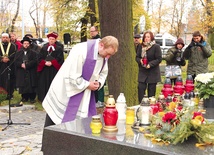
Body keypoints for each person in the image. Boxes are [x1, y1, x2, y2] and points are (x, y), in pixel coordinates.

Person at [42, 36, 119, 127]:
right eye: (108, 53)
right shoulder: (81, 50)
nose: (108, 57)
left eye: (110, 55)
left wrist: (99, 83)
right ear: (101, 45)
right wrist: (87, 84)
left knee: (77, 125)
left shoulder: (103, 55)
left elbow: (103, 73)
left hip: (84, 94)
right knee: (54, 121)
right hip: (67, 91)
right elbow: (72, 75)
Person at [37, 32, 64, 102]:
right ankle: (44, 98)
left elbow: (60, 59)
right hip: (45, 69)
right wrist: (45, 62)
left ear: (55, 40)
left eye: (53, 39)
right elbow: (39, 58)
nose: (51, 40)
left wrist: (52, 63)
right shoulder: (44, 48)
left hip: (53, 69)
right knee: (44, 83)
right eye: (50, 39)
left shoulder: (59, 49)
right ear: (48, 40)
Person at [136, 31, 162, 103]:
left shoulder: (156, 46)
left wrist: (150, 64)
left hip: (152, 72)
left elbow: (159, 59)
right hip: (143, 71)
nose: (146, 39)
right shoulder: (141, 46)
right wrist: (140, 60)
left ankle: (151, 106)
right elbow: (137, 57)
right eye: (145, 37)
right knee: (140, 88)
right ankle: (141, 104)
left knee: (151, 91)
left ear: (151, 38)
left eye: (148, 37)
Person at [12, 37, 38, 106]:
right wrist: (21, 65)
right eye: (25, 43)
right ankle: (24, 97)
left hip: (31, 70)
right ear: (22, 44)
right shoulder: (18, 52)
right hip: (22, 71)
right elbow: (16, 61)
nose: (26, 45)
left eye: (27, 43)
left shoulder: (34, 53)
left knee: (31, 84)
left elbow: (35, 61)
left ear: (29, 44)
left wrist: (27, 65)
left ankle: (32, 98)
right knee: (23, 84)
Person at [89, 26, 105, 107]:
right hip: (93, 63)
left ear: (97, 31)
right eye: (90, 31)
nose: (91, 33)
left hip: (98, 64)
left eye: (93, 31)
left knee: (99, 81)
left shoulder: (99, 41)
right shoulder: (92, 41)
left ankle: (100, 100)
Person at [0, 33, 17, 100]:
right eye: (3, 37)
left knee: (10, 80)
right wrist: (2, 59)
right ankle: (1, 94)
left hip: (10, 65)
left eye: (6, 37)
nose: (5, 39)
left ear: (9, 38)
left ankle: (10, 94)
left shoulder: (13, 46)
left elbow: (15, 54)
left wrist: (8, 58)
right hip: (1, 65)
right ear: (1, 38)